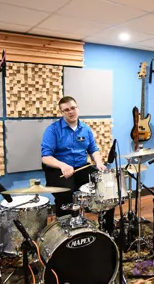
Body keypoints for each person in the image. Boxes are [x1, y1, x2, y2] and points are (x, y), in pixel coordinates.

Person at [41, 96, 114, 234]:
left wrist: (98, 162)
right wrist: (62, 165)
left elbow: (93, 149)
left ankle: (108, 230)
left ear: (77, 108)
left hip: (81, 167)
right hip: (59, 170)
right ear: (62, 113)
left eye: (73, 108)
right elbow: (46, 157)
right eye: (66, 110)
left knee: (105, 188)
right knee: (65, 193)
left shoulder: (85, 129)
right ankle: (64, 233)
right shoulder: (53, 130)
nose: (70, 112)